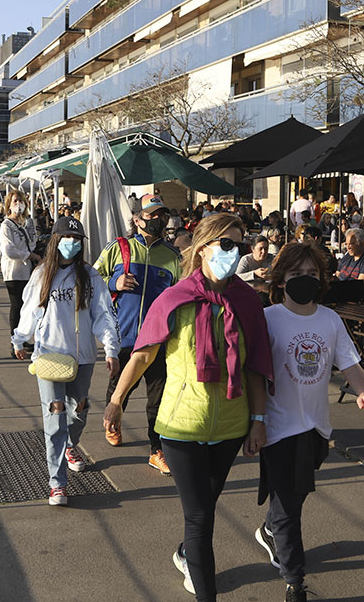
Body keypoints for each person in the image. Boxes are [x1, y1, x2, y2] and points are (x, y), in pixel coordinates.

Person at [103, 213, 273, 601]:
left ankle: (185, 555)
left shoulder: (247, 301)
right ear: (203, 248)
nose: (235, 252)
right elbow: (142, 356)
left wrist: (258, 420)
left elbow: (256, 367)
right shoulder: (175, 298)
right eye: (227, 244)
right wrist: (116, 402)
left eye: (240, 244)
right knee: (199, 518)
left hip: (231, 427)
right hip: (180, 426)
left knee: (205, 509)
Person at [254, 243, 364, 602]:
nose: (305, 281)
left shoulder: (330, 319)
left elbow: (349, 362)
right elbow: (256, 375)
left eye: (312, 274)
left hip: (317, 429)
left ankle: (269, 529)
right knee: (290, 505)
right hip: (279, 428)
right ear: (281, 279)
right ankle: (294, 579)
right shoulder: (269, 318)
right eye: (296, 275)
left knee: (293, 498)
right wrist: (255, 420)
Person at [14, 216, 120, 506]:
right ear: (55, 241)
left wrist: (111, 349)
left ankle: (71, 445)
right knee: (55, 416)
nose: (72, 245)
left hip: (83, 357)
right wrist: (19, 338)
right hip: (49, 356)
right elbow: (29, 312)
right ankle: (57, 483)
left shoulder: (90, 276)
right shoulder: (41, 275)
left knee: (78, 410)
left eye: (77, 240)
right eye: (66, 239)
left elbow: (103, 316)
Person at [95, 194, 181, 475]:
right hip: (124, 336)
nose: (157, 220)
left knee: (158, 398)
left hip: (158, 340)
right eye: (152, 214)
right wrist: (113, 282)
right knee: (119, 388)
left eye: (161, 215)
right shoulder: (118, 248)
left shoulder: (172, 256)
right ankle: (114, 421)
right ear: (137, 219)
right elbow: (93, 281)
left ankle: (156, 450)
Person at [0, 190, 40, 358]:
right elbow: (9, 250)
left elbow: (33, 241)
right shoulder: (6, 225)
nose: (18, 204)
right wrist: (29, 255)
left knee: (27, 305)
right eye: (15, 201)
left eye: (21, 200)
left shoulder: (28, 223)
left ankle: (23, 338)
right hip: (14, 271)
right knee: (16, 306)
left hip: (29, 270)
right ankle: (14, 342)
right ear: (9, 204)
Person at [336, 228, 364, 301]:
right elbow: (337, 274)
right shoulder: (348, 256)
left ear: (362, 243)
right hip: (340, 298)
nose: (348, 247)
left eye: (351, 244)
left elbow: (359, 286)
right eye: (346, 244)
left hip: (358, 302)